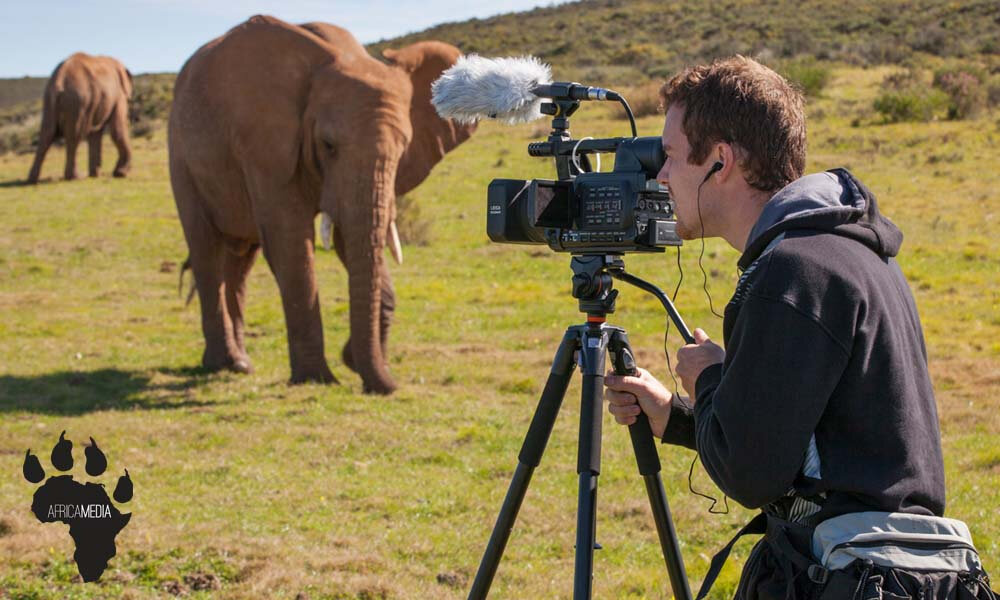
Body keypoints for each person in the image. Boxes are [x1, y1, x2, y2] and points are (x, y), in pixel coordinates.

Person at [604, 56, 993, 599]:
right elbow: (818, 445)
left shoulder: (792, 272)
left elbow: (750, 474)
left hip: (849, 578)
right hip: (884, 573)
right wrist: (677, 418)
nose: (660, 175)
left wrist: (712, 378)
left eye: (668, 155)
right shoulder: (847, 250)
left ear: (721, 161)